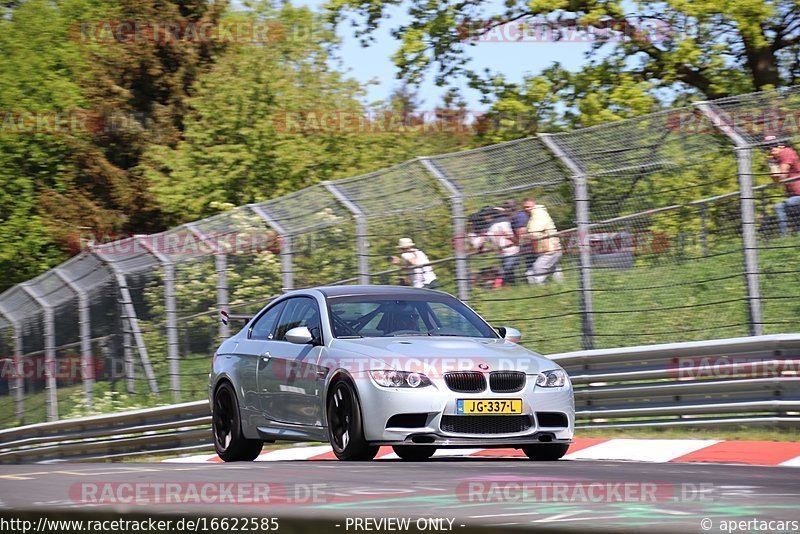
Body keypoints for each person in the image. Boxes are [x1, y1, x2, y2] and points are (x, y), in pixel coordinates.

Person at [765, 135, 800, 236]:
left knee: (779, 207)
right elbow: (777, 180)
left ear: (781, 145)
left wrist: (774, 169)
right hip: (793, 194)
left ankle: (783, 237)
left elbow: (782, 177)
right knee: (795, 218)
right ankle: (793, 239)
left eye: (773, 145)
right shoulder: (777, 158)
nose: (771, 149)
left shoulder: (786, 152)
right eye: (768, 147)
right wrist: (772, 165)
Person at [525, 199, 563, 284]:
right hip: (551, 249)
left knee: (538, 268)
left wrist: (525, 236)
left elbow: (534, 232)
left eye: (528, 207)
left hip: (550, 250)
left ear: (534, 205)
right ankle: (560, 286)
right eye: (524, 207)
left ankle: (541, 290)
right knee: (554, 269)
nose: (526, 209)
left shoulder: (538, 215)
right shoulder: (535, 215)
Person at [484, 206, 520, 288]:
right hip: (503, 253)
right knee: (508, 271)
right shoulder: (490, 227)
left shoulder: (501, 223)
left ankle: (498, 285)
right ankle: (511, 286)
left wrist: (516, 242)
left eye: (487, 215)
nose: (486, 217)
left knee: (506, 270)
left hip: (511, 251)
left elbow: (508, 235)